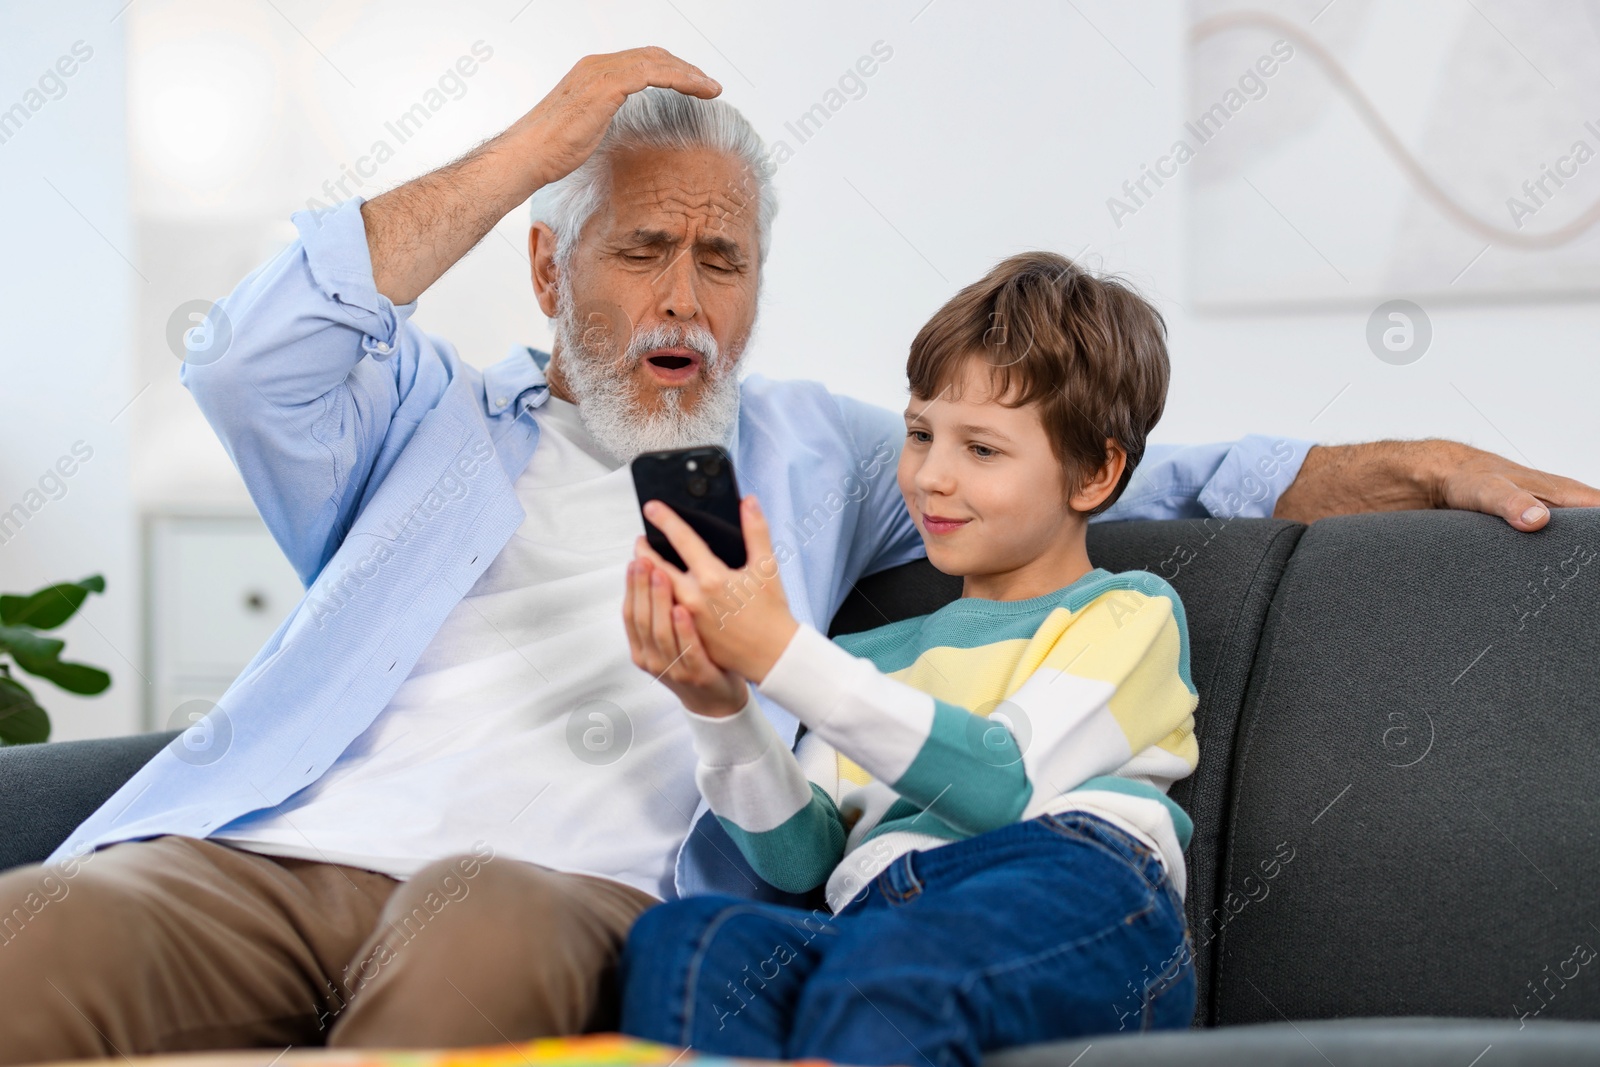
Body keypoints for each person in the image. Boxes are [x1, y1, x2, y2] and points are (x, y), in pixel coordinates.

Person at [0, 47, 1593, 1065]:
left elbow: (1108, 463)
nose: (687, 298)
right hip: (266, 853)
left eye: (723, 257)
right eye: (640, 249)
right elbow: (247, 354)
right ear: (551, 261)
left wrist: (1399, 460)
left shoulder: (826, 453)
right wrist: (535, 139)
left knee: (470, 941)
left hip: (549, 889)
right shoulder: (408, 419)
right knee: (36, 940)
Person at [617, 251, 1197, 1063]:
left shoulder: (1124, 612)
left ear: (1096, 473)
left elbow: (1004, 781)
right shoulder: (866, 659)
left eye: (982, 450)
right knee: (688, 939)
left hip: (1070, 888)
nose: (929, 476)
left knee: (892, 969)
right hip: (872, 915)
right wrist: (723, 708)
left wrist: (783, 655)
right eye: (920, 433)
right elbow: (800, 860)